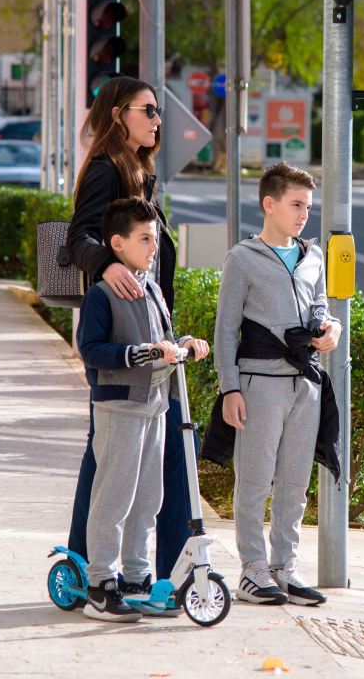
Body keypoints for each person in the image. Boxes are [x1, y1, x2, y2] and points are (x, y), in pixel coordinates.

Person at [64, 76, 203, 606]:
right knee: (135, 464)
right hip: (122, 338)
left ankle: (111, 571)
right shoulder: (106, 168)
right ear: (119, 114)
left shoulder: (138, 171)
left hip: (151, 334)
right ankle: (124, 574)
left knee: (122, 466)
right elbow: (79, 236)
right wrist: (108, 267)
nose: (157, 119)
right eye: (148, 110)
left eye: (157, 111)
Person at [213, 162, 342, 607]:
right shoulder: (242, 259)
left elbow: (320, 305)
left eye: (308, 206)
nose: (305, 214)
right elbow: (226, 329)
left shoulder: (314, 256)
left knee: (293, 483)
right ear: (269, 205)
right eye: (296, 205)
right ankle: (252, 571)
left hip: (305, 386)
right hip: (259, 385)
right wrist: (230, 388)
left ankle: (285, 568)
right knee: (254, 480)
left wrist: (331, 327)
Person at [75, 197, 210, 622]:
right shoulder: (102, 294)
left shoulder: (151, 288)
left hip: (154, 408)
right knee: (114, 496)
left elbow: (163, 338)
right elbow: (92, 350)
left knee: (147, 498)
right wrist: (142, 353)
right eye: (146, 239)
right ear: (116, 243)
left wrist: (185, 344)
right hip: (119, 409)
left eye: (156, 238)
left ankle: (136, 577)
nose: (155, 247)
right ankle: (101, 583)